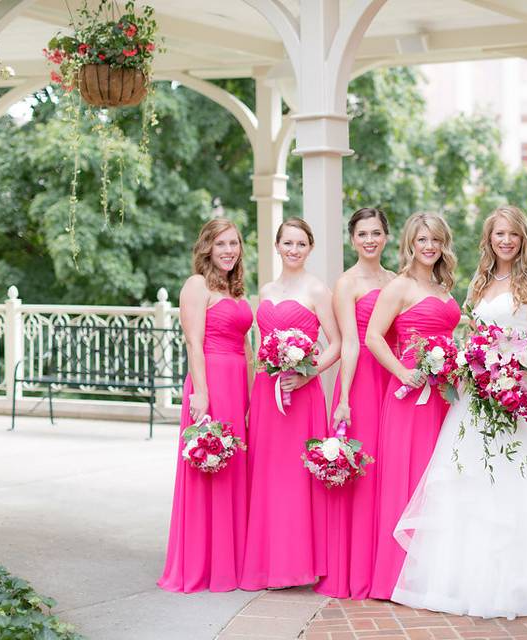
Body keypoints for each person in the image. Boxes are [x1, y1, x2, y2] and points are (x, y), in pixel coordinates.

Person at [390, 205, 527, 619]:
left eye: (513, 235)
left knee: (516, 477)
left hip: (519, 392)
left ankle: (519, 582)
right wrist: (479, 364)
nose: (505, 241)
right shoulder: (478, 284)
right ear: (489, 238)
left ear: (522, 240)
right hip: (479, 394)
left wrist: (518, 361)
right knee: (474, 479)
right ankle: (465, 581)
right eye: (499, 234)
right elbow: (474, 337)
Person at [240, 218, 341, 590]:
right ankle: (269, 563)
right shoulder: (266, 289)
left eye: (301, 244)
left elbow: (337, 343)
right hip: (267, 393)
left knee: (297, 478)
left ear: (310, 248)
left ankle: (300, 564)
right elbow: (260, 340)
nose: (294, 250)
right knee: (268, 475)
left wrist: (309, 372)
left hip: (302, 394)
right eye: (288, 243)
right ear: (278, 246)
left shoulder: (317, 289)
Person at [366, 212, 461, 600]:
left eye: (436, 240)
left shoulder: (444, 286)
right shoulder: (400, 286)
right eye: (422, 240)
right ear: (410, 243)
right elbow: (373, 336)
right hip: (411, 393)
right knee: (409, 474)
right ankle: (397, 576)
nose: (429, 246)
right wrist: (402, 373)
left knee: (439, 479)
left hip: (445, 394)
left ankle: (434, 575)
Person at [159, 217, 252, 593]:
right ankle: (202, 565)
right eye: (222, 244)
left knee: (233, 470)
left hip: (238, 385)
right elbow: (193, 342)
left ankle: (232, 562)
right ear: (207, 248)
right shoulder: (196, 285)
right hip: (210, 383)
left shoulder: (237, 291)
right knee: (209, 467)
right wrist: (201, 393)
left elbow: (247, 347)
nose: (229, 250)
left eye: (234, 243)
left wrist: (254, 393)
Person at [315, 208, 395, 600]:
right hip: (361, 379)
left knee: (389, 472)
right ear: (352, 239)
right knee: (362, 473)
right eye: (362, 233)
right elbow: (349, 341)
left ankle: (387, 567)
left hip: (393, 379)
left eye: (376, 232)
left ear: (386, 237)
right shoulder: (346, 283)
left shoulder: (397, 281)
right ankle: (355, 569)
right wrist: (344, 397)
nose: (369, 240)